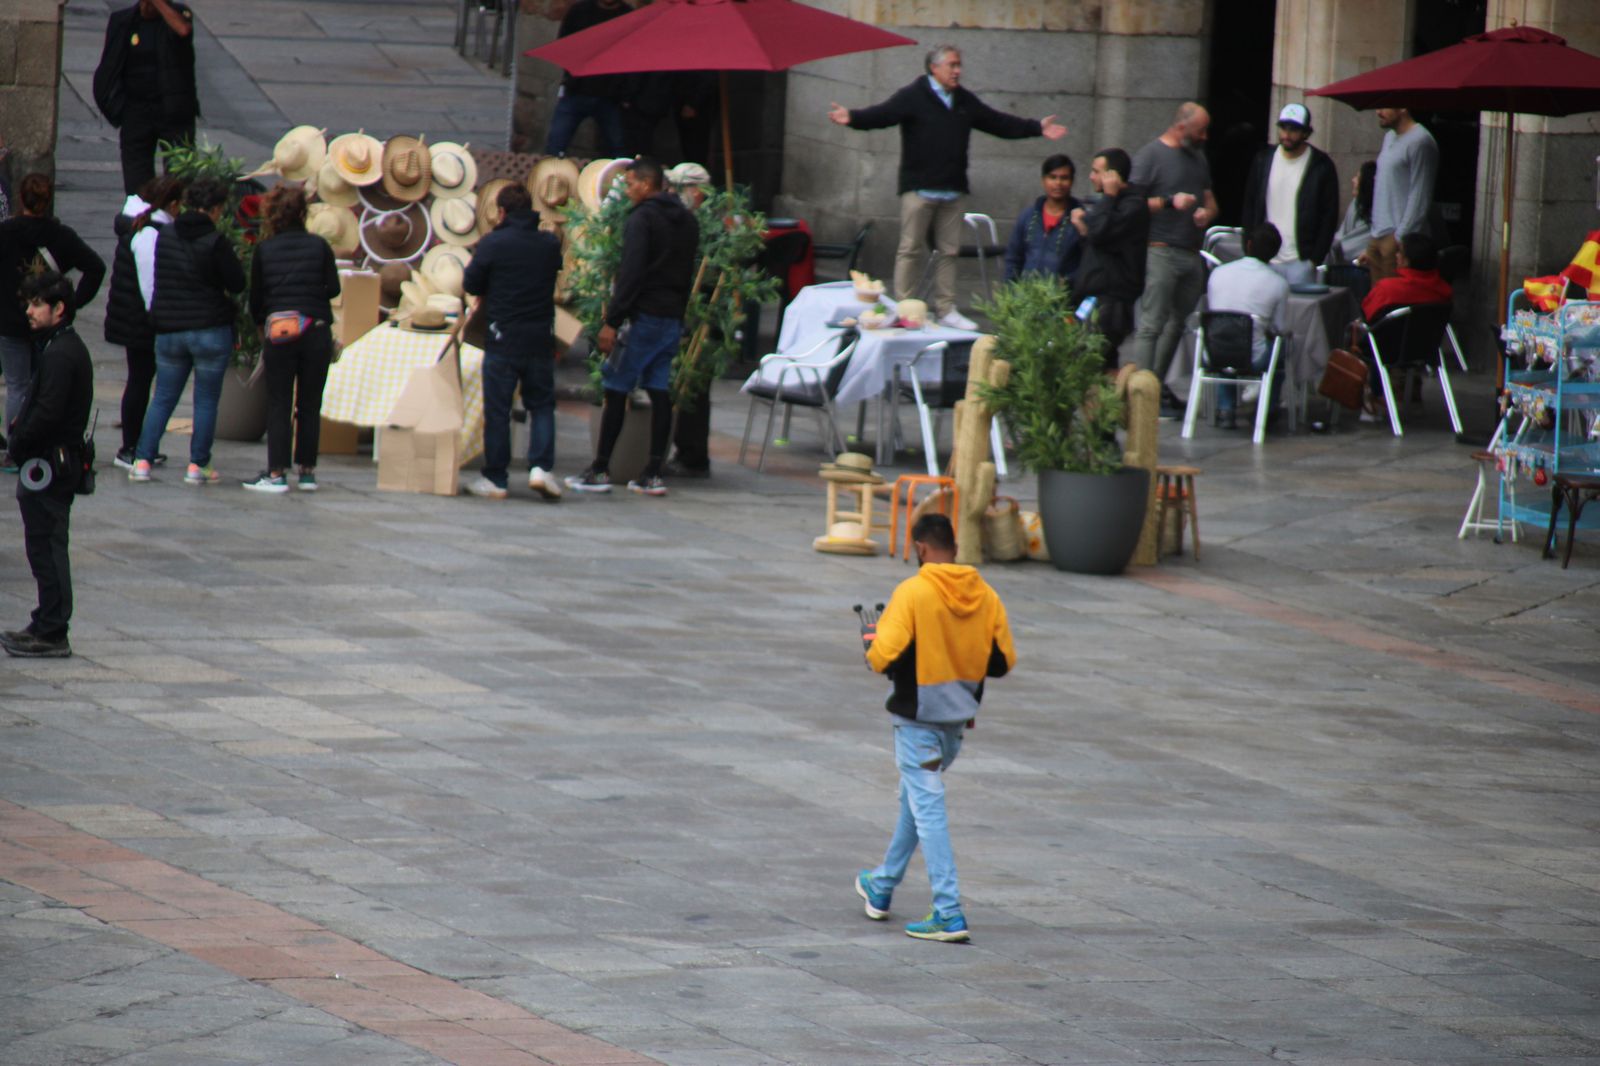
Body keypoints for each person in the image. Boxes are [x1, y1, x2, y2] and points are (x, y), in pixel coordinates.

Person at [855, 513, 1016, 943]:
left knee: (928, 810)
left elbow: (882, 658)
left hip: (916, 726)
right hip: (954, 727)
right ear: (954, 548)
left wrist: (871, 642)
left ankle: (948, 910)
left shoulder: (913, 592)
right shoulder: (986, 594)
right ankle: (881, 885)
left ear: (921, 549)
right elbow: (1003, 661)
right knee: (916, 799)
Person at [828, 46, 1067, 330]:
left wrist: (1036, 127)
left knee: (948, 251)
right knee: (910, 249)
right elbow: (883, 114)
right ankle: (906, 307)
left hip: (952, 190)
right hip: (919, 189)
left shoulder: (963, 100)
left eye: (959, 65)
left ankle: (946, 308)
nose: (958, 71)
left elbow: (997, 122)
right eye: (952, 65)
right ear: (934, 68)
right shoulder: (913, 95)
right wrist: (852, 118)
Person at [567, 158, 698, 497]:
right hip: (671, 317)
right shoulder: (686, 219)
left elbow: (631, 272)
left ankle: (600, 468)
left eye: (628, 184)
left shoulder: (642, 219)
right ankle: (652, 471)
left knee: (616, 389)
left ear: (644, 183)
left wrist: (612, 320)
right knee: (659, 391)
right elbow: (687, 273)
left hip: (642, 317)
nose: (625, 191)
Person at [131, 176, 245, 485]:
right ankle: (198, 465)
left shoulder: (166, 235)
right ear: (216, 209)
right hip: (209, 329)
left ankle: (142, 460)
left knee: (163, 396)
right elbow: (237, 283)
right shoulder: (215, 241)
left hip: (168, 329)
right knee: (206, 400)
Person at [3, 272, 93, 660]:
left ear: (59, 309)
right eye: (28, 303)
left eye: (37, 304)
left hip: (51, 464)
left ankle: (53, 629)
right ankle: (45, 620)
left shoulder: (61, 353)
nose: (29, 311)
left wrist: (19, 441)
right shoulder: (57, 346)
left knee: (48, 544)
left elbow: (48, 412)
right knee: (41, 544)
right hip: (48, 461)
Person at [461, 183, 564, 500]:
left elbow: (472, 282)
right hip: (539, 337)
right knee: (542, 404)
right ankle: (541, 469)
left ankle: (496, 479)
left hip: (502, 336)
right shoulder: (548, 243)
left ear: (502, 212)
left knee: (498, 411)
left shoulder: (494, 243)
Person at [0, 174, 106, 467]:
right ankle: (34, 443)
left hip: (8, 320)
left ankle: (15, 449)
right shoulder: (61, 237)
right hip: (48, 325)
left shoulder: (6, 232)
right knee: (41, 384)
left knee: (17, 385)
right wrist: (72, 306)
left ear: (22, 199)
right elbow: (95, 267)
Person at [242, 185, 341, 494]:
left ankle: (276, 473)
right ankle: (308, 472)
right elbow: (334, 289)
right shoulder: (319, 246)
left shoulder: (265, 250)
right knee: (310, 404)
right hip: (316, 329)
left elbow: (256, 300)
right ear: (303, 213)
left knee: (279, 402)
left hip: (281, 332)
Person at [1130, 102, 1217, 414]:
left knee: (1176, 323)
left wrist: (1207, 213)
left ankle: (1154, 382)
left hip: (1191, 251)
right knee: (1152, 322)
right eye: (1200, 131)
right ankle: (1140, 391)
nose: (1204, 137)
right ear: (1182, 128)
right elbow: (1132, 204)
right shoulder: (1150, 156)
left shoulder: (1198, 157)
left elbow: (1210, 200)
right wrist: (1169, 202)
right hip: (1160, 248)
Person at [105, 174, 183, 470]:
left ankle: (137, 443)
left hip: (132, 316)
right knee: (139, 380)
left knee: (140, 380)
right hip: (140, 319)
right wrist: (159, 319)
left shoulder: (139, 223)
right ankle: (130, 446)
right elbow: (149, 284)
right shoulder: (149, 232)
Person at [92, 0, 199, 196]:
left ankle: (174, 221)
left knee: (180, 180)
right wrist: (116, 107)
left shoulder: (178, 14)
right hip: (136, 112)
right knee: (136, 183)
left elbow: (183, 30)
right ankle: (140, 221)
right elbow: (109, 64)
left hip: (173, 113)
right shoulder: (123, 21)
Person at [1239, 103, 1340, 284]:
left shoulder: (1321, 165)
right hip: (1264, 257)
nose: (1286, 134)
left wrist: (1314, 258)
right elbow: (1250, 204)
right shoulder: (1263, 159)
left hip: (1300, 261)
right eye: (1283, 128)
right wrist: (1250, 247)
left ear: (1306, 133)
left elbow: (1329, 215)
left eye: (1294, 129)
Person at [1204, 223, 1290, 428]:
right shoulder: (1278, 283)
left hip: (1212, 353)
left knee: (1225, 335)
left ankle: (1226, 409)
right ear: (1275, 252)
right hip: (1252, 357)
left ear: (1248, 245)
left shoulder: (1218, 273)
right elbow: (1278, 328)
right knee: (1281, 347)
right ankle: (1267, 409)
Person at [1071, 148, 1149, 370]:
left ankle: (1103, 402)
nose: (1091, 176)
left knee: (1091, 359)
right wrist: (1085, 231)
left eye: (1096, 171)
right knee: (1098, 360)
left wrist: (1109, 196)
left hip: (1113, 299)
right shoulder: (1110, 204)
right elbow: (1097, 239)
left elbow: (1100, 231)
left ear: (1111, 176)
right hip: (1094, 294)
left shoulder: (1132, 205)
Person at [664, 162, 714, 480]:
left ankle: (693, 455)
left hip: (704, 318)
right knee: (681, 384)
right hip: (685, 312)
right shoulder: (686, 221)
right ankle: (684, 449)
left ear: (695, 192)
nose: (672, 194)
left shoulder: (709, 226)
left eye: (678, 189)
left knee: (694, 386)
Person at [542, 0, 632, 158]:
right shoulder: (580, 11)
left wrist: (625, 90)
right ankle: (551, 176)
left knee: (619, 147)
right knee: (556, 144)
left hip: (612, 96)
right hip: (577, 89)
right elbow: (564, 43)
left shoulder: (628, 15)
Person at [1361, 107, 1437, 284]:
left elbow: (1420, 195)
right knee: (1377, 299)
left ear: (1403, 108)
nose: (1378, 112)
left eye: (1385, 106)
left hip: (1397, 237)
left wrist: (1400, 237)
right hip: (1378, 233)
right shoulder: (1389, 137)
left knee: (1394, 298)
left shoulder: (1420, 141)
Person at [1002, 154, 1083, 284]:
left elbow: (1087, 262)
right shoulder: (1028, 216)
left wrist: (1067, 283)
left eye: (1064, 178)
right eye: (1052, 177)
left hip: (1063, 299)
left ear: (1072, 182)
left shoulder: (1080, 219)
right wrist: (1010, 292)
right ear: (1043, 180)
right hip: (1027, 298)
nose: (1058, 183)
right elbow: (1013, 257)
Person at [1362, 231, 1451, 322]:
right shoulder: (1444, 290)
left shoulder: (1386, 288)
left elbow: (1366, 315)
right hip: (1429, 335)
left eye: (1399, 252)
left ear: (1406, 261)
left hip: (1387, 334)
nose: (1396, 255)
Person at [1331, 161, 1377, 265]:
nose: (1353, 180)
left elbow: (1346, 246)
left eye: (1358, 177)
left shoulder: (1376, 216)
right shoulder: (1356, 204)